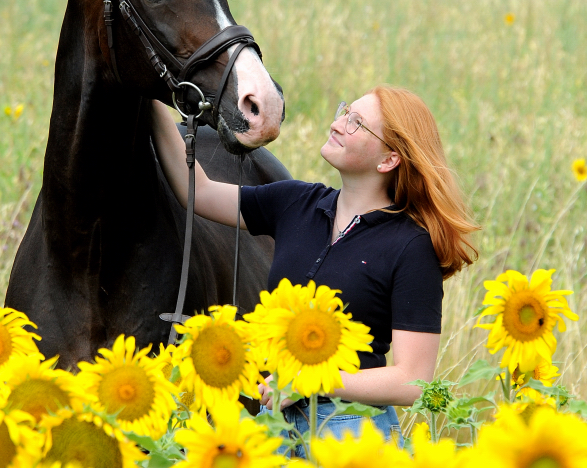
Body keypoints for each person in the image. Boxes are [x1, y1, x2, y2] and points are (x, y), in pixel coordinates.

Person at [150, 85, 478, 446]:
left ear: (388, 160)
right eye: (345, 111)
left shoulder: (411, 246)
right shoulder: (296, 202)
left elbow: (412, 380)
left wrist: (309, 379)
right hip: (274, 426)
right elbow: (200, 191)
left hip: (350, 430)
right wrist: (146, 96)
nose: (338, 124)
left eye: (357, 123)